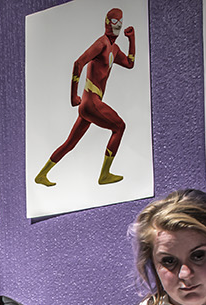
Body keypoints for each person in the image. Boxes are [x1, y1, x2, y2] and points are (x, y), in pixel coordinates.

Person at [34, 8, 136, 187]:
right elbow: (78, 63)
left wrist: (132, 40)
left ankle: (41, 175)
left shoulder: (114, 48)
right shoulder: (102, 44)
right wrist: (73, 95)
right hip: (91, 102)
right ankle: (104, 174)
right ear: (107, 23)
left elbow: (129, 63)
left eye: (120, 22)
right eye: (114, 22)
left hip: (91, 105)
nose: (118, 26)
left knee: (70, 143)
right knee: (119, 127)